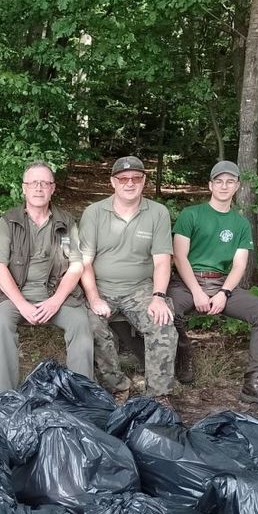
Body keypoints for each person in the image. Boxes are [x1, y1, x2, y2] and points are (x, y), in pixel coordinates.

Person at [168, 160, 258, 409]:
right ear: (210, 185)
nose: (224, 186)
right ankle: (183, 353)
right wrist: (197, 292)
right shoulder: (191, 215)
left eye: (230, 181)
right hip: (187, 283)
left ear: (237, 186)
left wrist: (224, 293)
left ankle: (253, 384)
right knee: (168, 310)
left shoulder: (241, 223)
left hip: (221, 283)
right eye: (219, 181)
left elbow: (240, 265)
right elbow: (179, 257)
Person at [0, 162, 93, 396]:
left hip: (54, 294)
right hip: (13, 294)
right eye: (33, 183)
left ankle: (82, 399)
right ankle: (4, 400)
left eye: (45, 183)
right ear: (24, 188)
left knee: (81, 324)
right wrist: (21, 304)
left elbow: (76, 266)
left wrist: (56, 301)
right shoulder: (8, 221)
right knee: (1, 322)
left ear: (53, 188)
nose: (39, 188)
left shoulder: (66, 221)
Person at [80, 156, 177, 403]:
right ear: (113, 182)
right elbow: (85, 262)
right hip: (101, 287)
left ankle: (159, 396)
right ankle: (117, 386)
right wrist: (93, 297)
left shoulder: (158, 212)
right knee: (89, 325)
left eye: (136, 178)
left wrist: (158, 297)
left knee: (162, 322)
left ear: (144, 181)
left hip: (140, 288)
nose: (129, 183)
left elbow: (162, 260)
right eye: (123, 179)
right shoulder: (94, 212)